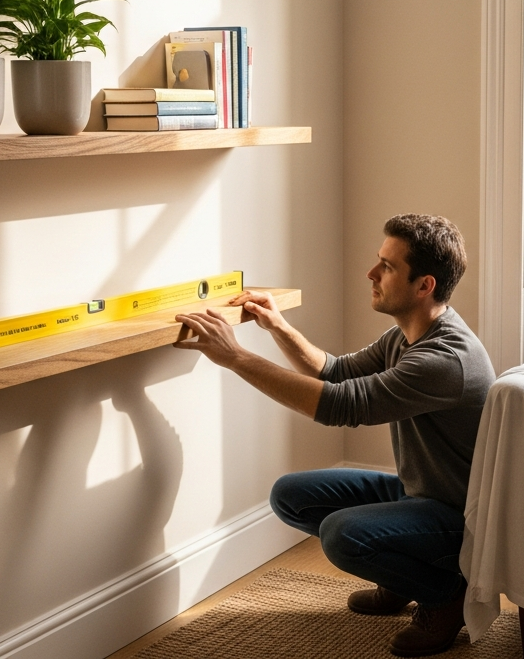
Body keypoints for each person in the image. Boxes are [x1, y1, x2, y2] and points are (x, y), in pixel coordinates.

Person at [173, 214, 494, 657]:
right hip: (419, 493)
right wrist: (277, 325)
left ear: (425, 285)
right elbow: (336, 371)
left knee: (342, 534)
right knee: (291, 495)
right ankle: (403, 578)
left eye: (387, 266)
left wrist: (235, 357)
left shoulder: (444, 360)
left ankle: (445, 593)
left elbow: (340, 405)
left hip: (456, 516)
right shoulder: (409, 334)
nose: (371, 273)